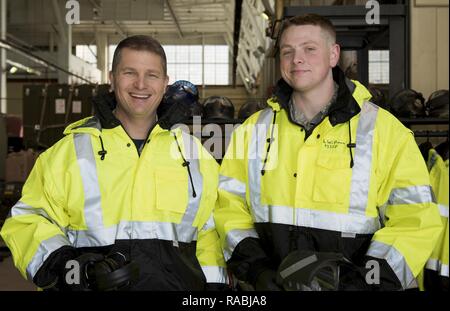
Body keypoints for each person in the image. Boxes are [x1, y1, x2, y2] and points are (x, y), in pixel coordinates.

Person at [214, 14, 443, 291]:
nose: (297, 59)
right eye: (288, 51)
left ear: (334, 55)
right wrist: (258, 269)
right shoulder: (252, 131)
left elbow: (415, 220)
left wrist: (365, 282)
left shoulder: (385, 132)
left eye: (309, 49)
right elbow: (228, 208)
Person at [0, 35, 227, 291]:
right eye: (129, 72)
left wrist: (214, 289)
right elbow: (28, 220)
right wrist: (72, 269)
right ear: (112, 78)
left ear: (165, 83)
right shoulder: (69, 153)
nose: (140, 84)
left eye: (151, 75)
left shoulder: (196, 157)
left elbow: (208, 233)